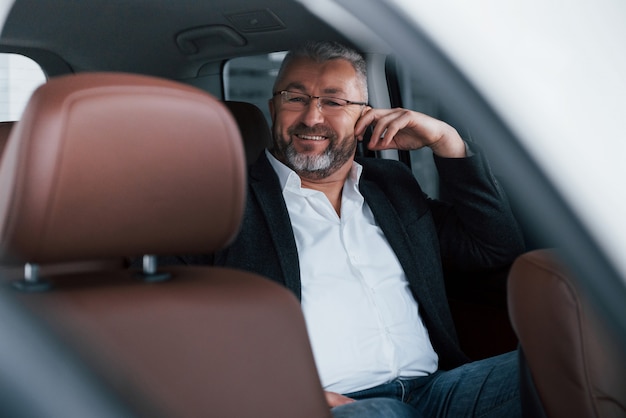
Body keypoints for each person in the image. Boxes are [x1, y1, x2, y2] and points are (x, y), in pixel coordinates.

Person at [215, 41, 525, 417]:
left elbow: (494, 248)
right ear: (273, 108)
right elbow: (178, 332)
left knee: (577, 359)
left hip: (440, 391)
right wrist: (279, 390)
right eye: (295, 98)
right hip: (336, 406)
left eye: (334, 102)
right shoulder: (225, 202)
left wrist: (447, 142)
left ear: (365, 117)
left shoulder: (392, 184)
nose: (312, 117)